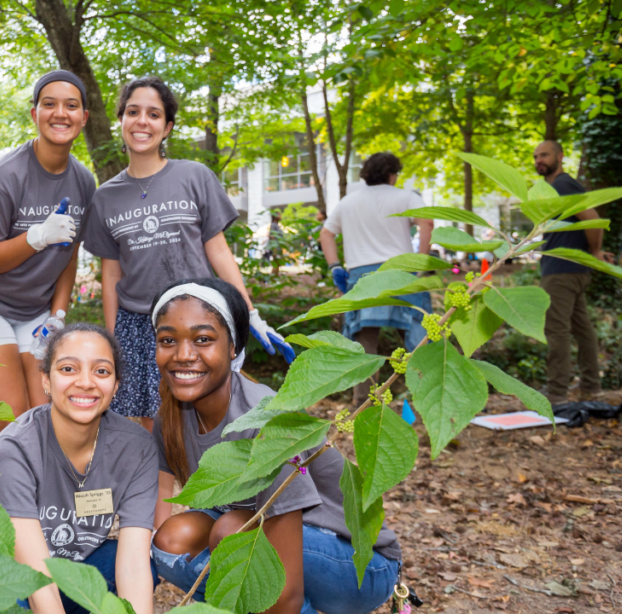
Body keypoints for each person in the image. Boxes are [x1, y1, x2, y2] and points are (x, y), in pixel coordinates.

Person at [148, 278, 402, 614]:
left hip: (361, 563)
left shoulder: (266, 421)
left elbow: (287, 594)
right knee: (171, 540)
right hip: (269, 533)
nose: (183, 355)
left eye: (203, 339)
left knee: (233, 533)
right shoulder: (170, 416)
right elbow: (155, 526)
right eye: (168, 340)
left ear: (233, 347)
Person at [83, 76, 292, 432]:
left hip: (198, 316)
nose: (142, 121)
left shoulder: (195, 176)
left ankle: (210, 486)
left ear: (167, 127)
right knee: (154, 427)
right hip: (138, 326)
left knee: (209, 418)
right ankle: (163, 489)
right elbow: (112, 276)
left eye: (153, 114)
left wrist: (250, 314)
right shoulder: (105, 197)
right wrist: (110, 340)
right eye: (133, 112)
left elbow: (220, 253)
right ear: (121, 120)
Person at [0, 70, 96, 471]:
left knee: (51, 413)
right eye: (49, 104)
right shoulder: (5, 175)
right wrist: (36, 236)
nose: (60, 113)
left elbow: (69, 257)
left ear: (84, 117)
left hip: (33, 310)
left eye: (70, 106)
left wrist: (58, 316)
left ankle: (41, 516)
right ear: (35, 114)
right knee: (7, 416)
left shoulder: (84, 182)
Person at [0, 323, 158, 614]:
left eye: (101, 371)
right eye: (68, 369)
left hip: (78, 573)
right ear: (46, 380)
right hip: (16, 581)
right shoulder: (14, 449)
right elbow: (38, 583)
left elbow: (134, 566)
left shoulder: (137, 449)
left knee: (135, 566)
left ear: (115, 385)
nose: (86, 382)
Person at [319, 152, 434, 407]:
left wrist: (335, 266)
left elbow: (326, 234)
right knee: (418, 336)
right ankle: (425, 399)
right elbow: (426, 222)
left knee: (364, 342)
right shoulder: (407, 196)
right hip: (402, 272)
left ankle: (364, 403)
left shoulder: (348, 202)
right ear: (393, 174)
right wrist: (422, 262)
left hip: (363, 277)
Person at [533, 140, 609, 404]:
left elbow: (592, 217)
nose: (538, 160)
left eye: (544, 155)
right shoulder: (557, 188)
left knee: (556, 329)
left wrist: (596, 251)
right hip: (571, 269)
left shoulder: (563, 185)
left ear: (560, 156)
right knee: (582, 328)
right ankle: (591, 386)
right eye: (535, 156)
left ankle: (556, 393)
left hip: (562, 271)